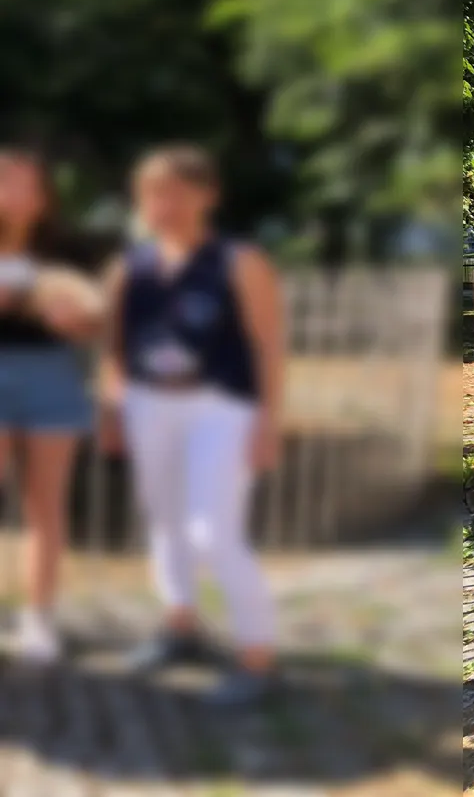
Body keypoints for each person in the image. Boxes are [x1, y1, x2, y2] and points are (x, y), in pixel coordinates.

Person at [99, 144, 286, 707]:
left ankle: (257, 656)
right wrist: (111, 408)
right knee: (165, 523)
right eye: (154, 193)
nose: (165, 204)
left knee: (214, 532)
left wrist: (269, 422)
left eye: (178, 191)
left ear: (208, 195)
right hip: (148, 405)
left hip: (221, 407)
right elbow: (114, 346)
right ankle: (180, 627)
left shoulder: (237, 262)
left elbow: (268, 343)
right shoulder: (130, 268)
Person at [0, 145, 108, 664]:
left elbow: (98, 321)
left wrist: (79, 323)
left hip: (53, 377)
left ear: (44, 195)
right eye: (3, 180)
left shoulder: (74, 250)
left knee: (45, 505)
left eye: (23, 182)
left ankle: (39, 619)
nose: (11, 191)